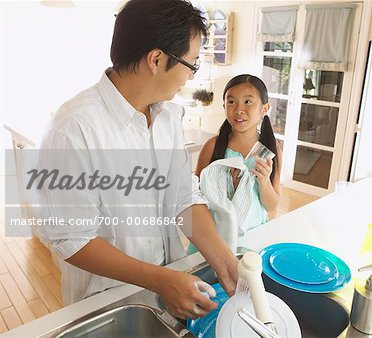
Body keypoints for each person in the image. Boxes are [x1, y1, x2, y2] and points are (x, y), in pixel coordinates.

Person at [36, 0, 237, 320]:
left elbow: (184, 196)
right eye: (192, 63)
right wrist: (161, 280)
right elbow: (73, 239)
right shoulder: (73, 130)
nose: (190, 76)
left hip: (170, 282)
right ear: (157, 60)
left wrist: (226, 262)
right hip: (106, 302)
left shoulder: (169, 116)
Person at [188, 74, 281, 253]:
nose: (238, 109)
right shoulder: (213, 147)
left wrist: (263, 180)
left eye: (248, 102)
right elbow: (195, 199)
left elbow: (271, 205)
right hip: (213, 238)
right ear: (224, 106)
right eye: (231, 102)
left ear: (265, 108)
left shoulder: (271, 150)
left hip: (252, 236)